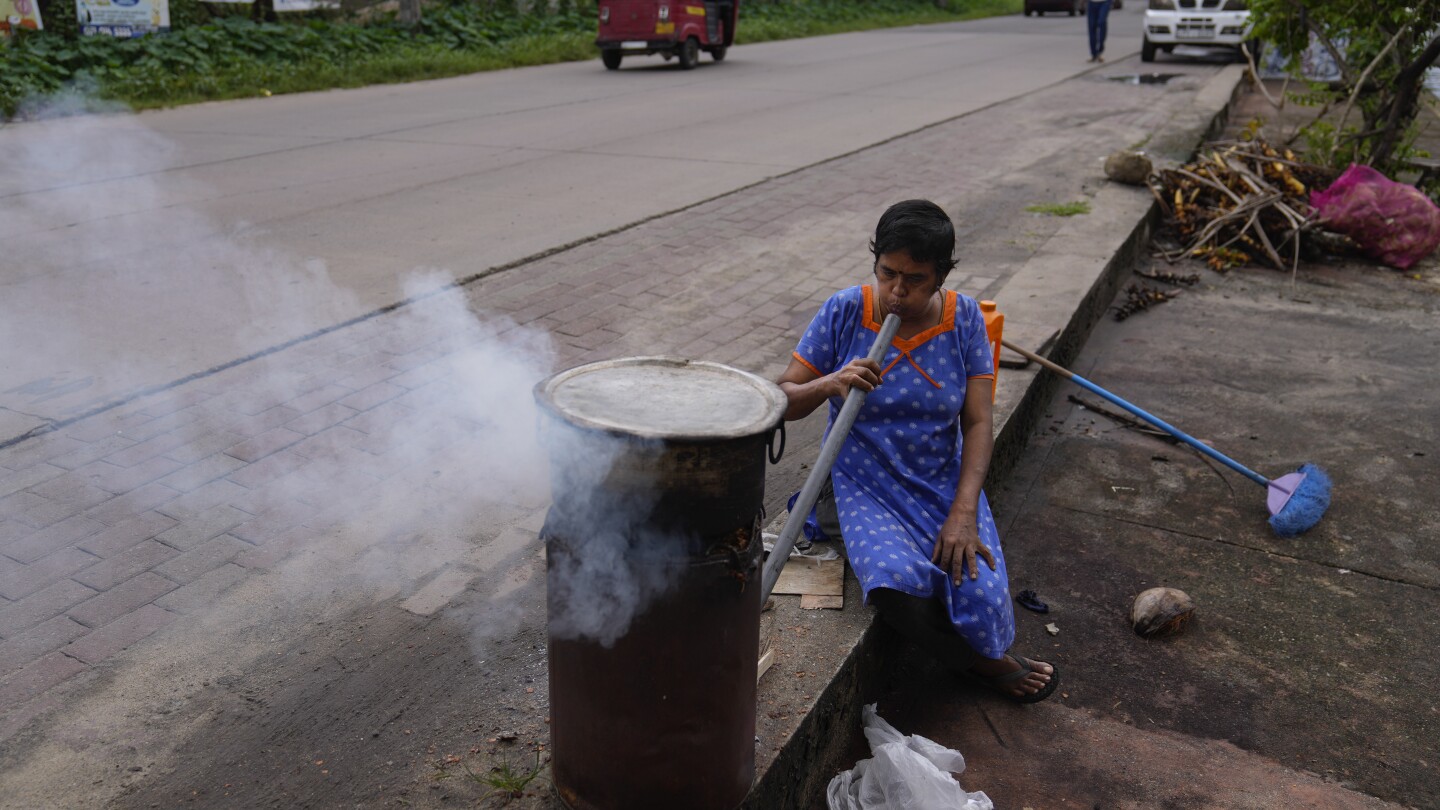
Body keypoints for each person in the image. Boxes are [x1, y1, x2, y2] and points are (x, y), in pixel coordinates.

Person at [778, 200, 1057, 703]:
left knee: (980, 594)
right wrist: (829, 383)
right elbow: (780, 401)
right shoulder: (845, 310)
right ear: (876, 262)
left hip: (938, 481)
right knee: (894, 582)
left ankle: (981, 648)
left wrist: (964, 511)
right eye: (888, 274)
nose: (898, 292)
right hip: (861, 480)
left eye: (915, 279)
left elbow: (976, 422)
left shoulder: (965, 319)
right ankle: (979, 664)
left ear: (940, 277)